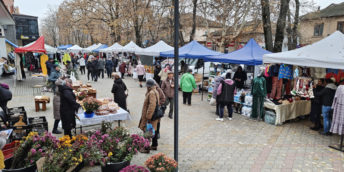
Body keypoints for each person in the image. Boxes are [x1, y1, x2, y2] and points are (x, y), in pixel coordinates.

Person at [138, 79, 160, 150]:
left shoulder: (152, 93)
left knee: (147, 131)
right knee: (154, 130)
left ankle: (146, 148)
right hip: (154, 115)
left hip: (151, 116)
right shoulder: (155, 91)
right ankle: (154, 145)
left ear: (149, 86)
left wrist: (148, 116)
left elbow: (152, 105)